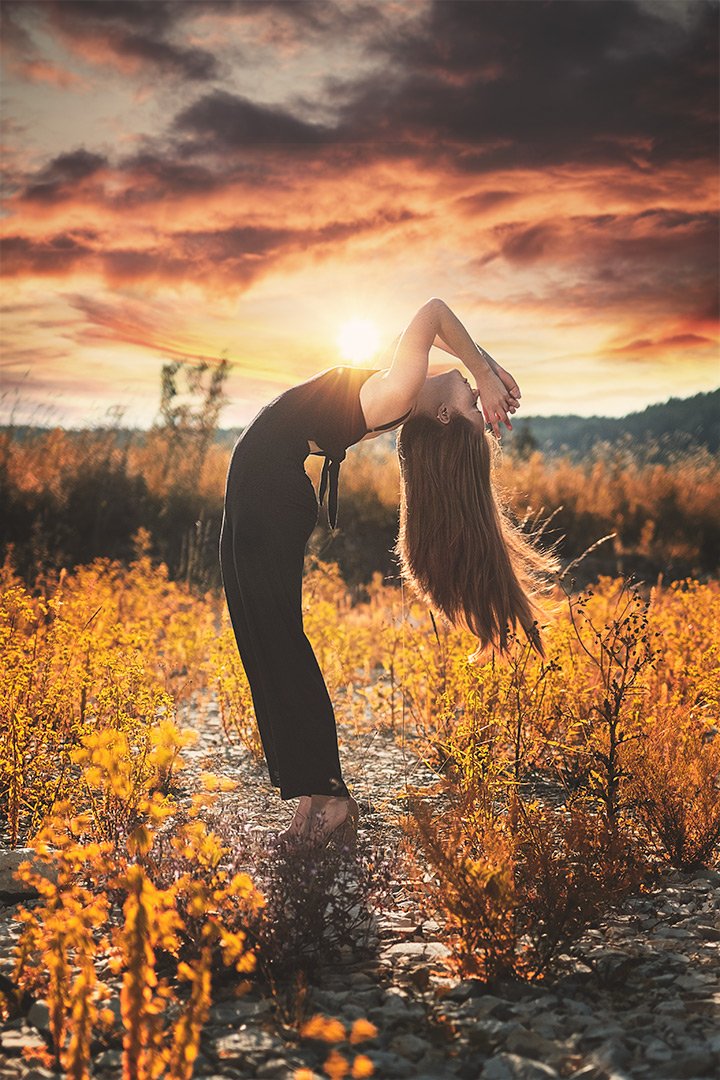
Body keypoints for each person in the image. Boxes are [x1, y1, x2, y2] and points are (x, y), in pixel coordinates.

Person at [219, 298, 556, 850]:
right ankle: (314, 794)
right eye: (481, 405)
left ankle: (330, 797)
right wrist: (487, 368)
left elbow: (432, 313)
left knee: (275, 639)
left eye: (474, 408)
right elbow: (433, 326)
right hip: (262, 485)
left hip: (267, 489)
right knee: (265, 637)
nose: (478, 400)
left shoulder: (401, 390)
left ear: (445, 418)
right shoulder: (408, 384)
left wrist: (483, 373)